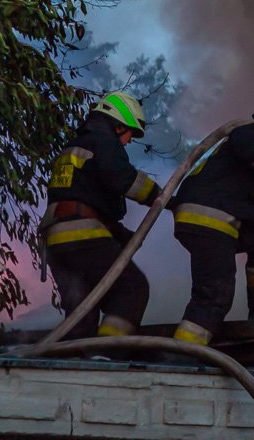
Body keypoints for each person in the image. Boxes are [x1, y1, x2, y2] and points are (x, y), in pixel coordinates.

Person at [169, 108, 254, 346]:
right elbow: (249, 146)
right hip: (212, 218)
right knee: (214, 296)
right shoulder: (252, 131)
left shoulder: (249, 175)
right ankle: (179, 356)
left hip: (216, 217)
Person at [40, 91, 159, 339]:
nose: (128, 142)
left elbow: (83, 197)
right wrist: (162, 197)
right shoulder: (103, 141)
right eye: (129, 134)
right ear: (118, 126)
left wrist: (119, 233)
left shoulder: (76, 145)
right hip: (81, 233)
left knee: (82, 311)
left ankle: (74, 362)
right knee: (131, 289)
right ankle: (107, 351)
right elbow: (122, 178)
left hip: (55, 239)